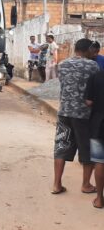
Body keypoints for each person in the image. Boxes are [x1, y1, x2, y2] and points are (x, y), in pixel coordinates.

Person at [53, 38, 100, 195]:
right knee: (87, 150)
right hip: (84, 115)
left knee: (61, 146)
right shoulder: (93, 66)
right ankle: (86, 185)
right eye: (92, 50)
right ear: (87, 50)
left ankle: (57, 184)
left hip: (64, 112)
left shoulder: (63, 64)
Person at [85, 69, 104, 208]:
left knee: (100, 161)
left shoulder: (96, 76)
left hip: (99, 124)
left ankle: (99, 199)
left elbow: (89, 102)